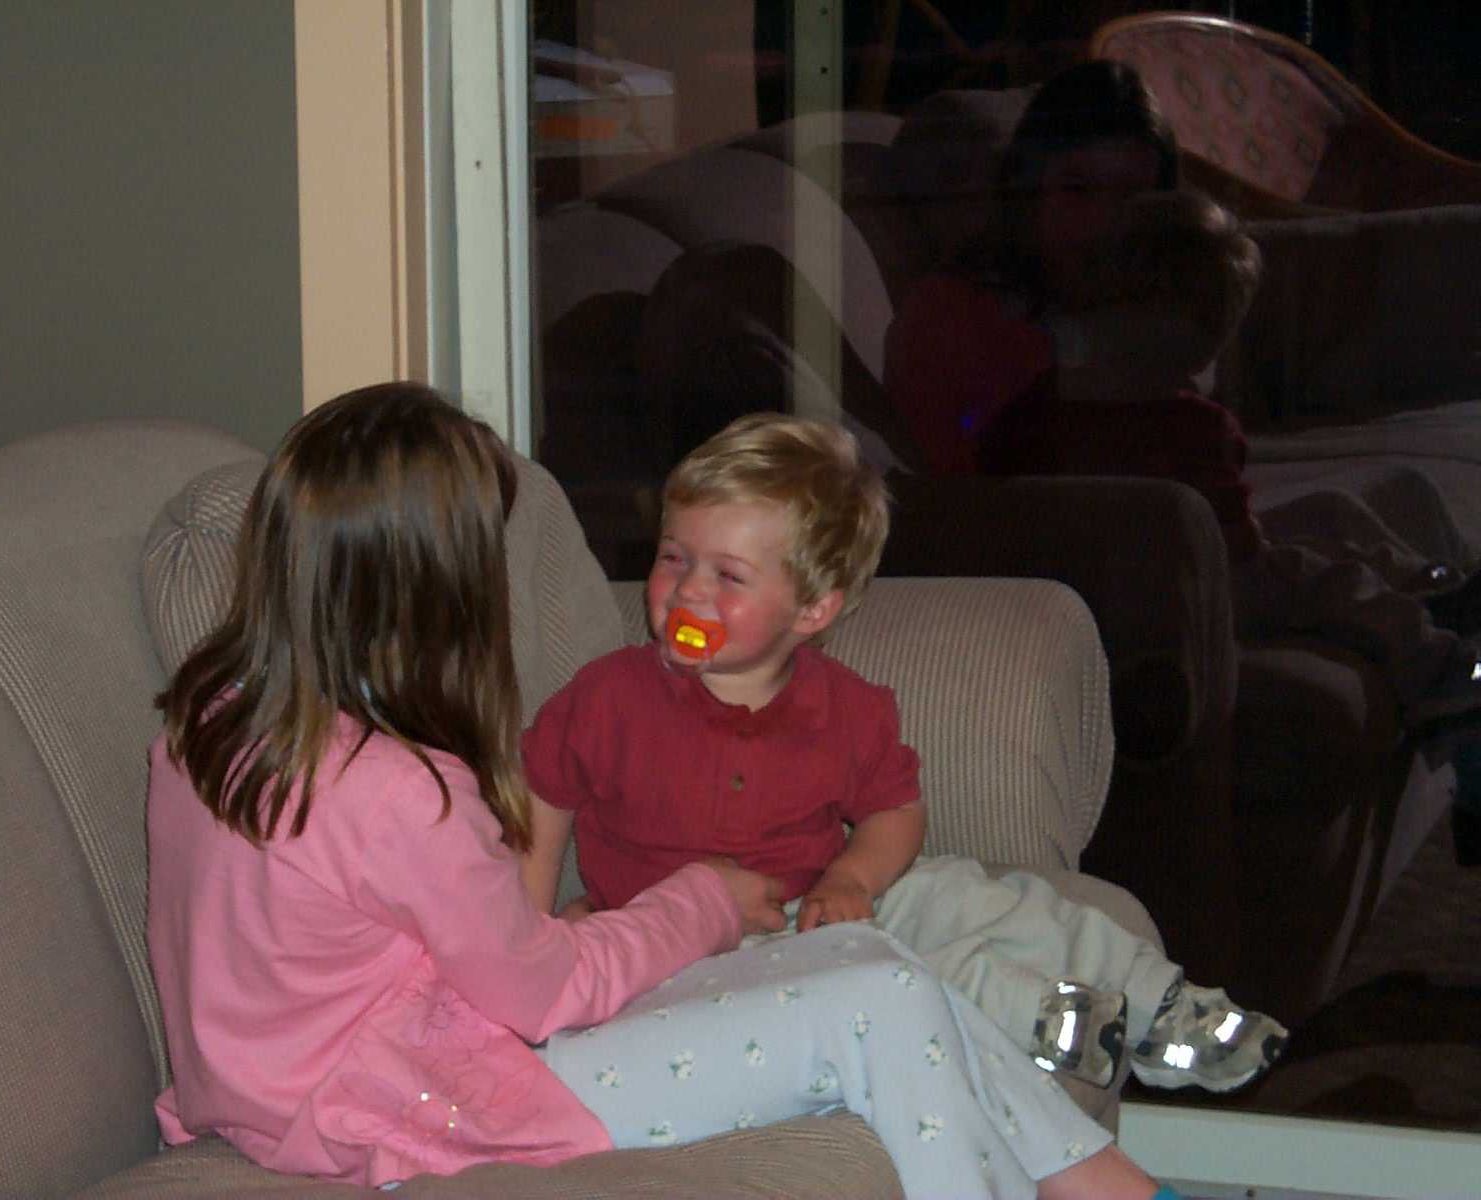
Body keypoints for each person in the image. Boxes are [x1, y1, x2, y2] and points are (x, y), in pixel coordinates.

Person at [145, 382, 1170, 1198]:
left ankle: (1099, 1183)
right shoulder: (402, 791)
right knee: (880, 1003)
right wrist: (702, 900)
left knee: (866, 956)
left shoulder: (206, 722)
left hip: (314, 1073)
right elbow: (539, 992)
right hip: (413, 1097)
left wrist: (565, 928)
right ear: (437, 589)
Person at [520, 412, 1288, 1097]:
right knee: (886, 973)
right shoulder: (607, 695)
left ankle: (1162, 1005)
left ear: (812, 609)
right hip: (688, 953)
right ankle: (1050, 1023)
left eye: (728, 576)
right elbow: (544, 800)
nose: (686, 592)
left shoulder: (846, 708)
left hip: (818, 901)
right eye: (672, 557)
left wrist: (852, 876)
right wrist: (533, 932)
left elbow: (894, 811)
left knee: (963, 894)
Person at [980, 189, 1481, 729]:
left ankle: (1427, 585)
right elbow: (1237, 546)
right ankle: (1438, 668)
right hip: (1183, 597)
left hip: (1091, 583)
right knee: (1324, 582)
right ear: (1210, 343)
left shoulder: (1035, 402)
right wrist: (1266, 549)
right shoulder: (1196, 426)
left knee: (1325, 516)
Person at [884, 59, 1179, 477]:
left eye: (1130, 198)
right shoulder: (950, 314)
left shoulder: (1161, 307)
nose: (1102, 224)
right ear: (1029, 186)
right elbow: (954, 484)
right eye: (1077, 189)